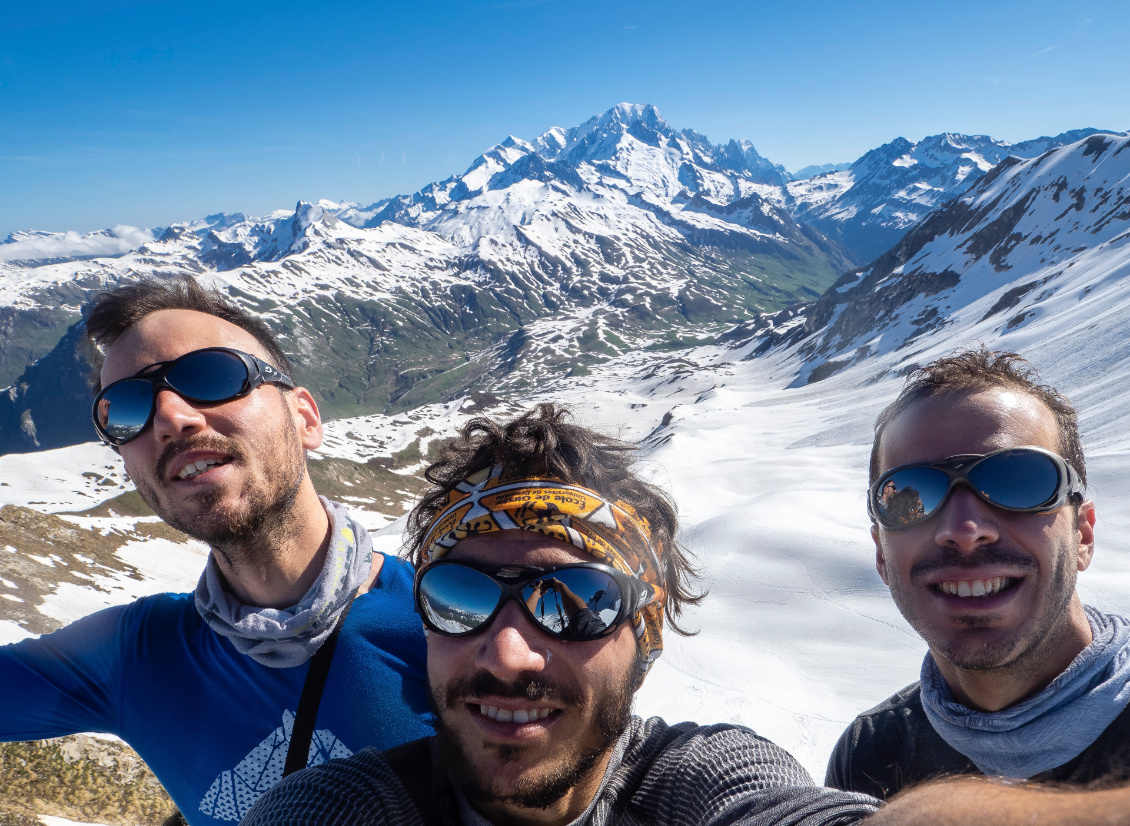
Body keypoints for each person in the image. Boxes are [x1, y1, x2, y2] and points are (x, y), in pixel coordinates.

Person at [242, 404, 882, 826]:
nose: (507, 654)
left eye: (578, 603)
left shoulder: (699, 784)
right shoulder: (344, 807)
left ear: (646, 638)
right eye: (461, 597)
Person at [0, 277, 433, 825]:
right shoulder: (136, 656)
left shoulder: (454, 627)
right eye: (127, 408)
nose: (170, 418)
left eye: (211, 376)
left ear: (305, 418)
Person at [827, 347, 1130, 799]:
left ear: (1083, 535)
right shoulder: (869, 757)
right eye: (910, 495)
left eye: (1020, 481)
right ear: (882, 556)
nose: (964, 531)